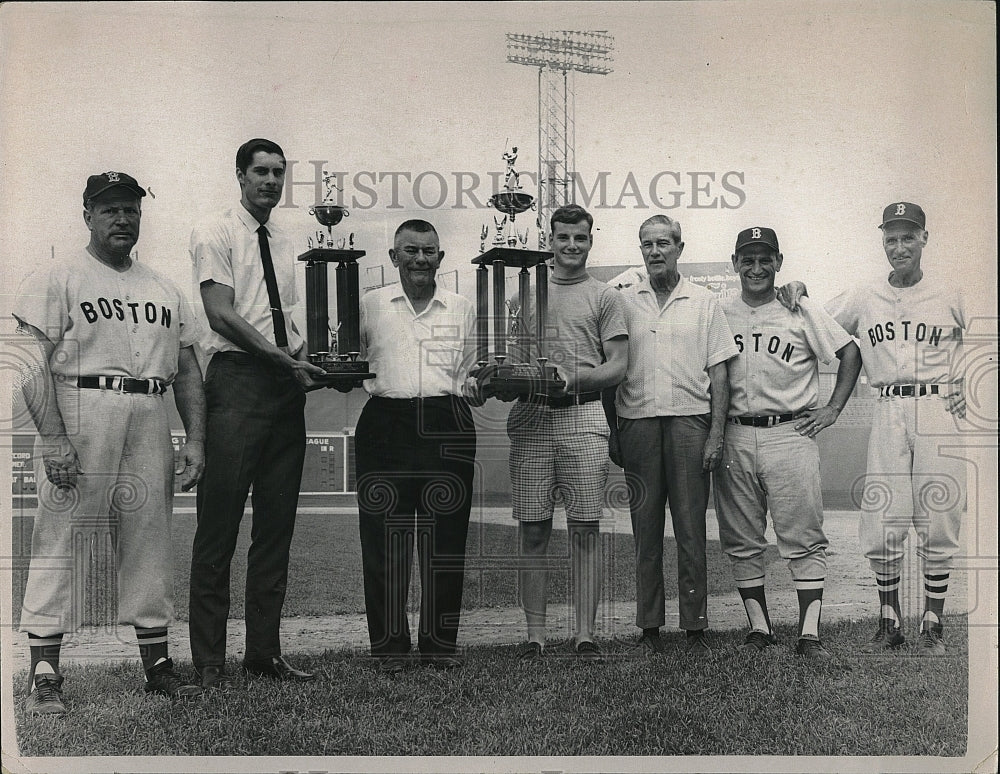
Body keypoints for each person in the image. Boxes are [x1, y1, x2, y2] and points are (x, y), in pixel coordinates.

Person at [14, 171, 206, 714]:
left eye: (131, 209)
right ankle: (46, 670)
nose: (122, 218)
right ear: (87, 215)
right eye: (109, 209)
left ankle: (157, 666)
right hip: (81, 406)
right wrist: (53, 438)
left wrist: (196, 439)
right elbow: (30, 363)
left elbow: (188, 369)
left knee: (149, 536)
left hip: (149, 409)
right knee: (62, 536)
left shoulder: (164, 286)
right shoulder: (58, 275)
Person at [188, 138, 328, 687]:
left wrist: (304, 360)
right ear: (239, 175)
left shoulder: (287, 239)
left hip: (281, 387)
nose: (270, 181)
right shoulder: (216, 230)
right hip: (237, 383)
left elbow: (286, 327)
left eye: (278, 173)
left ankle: (264, 653)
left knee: (276, 528)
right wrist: (278, 359)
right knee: (218, 528)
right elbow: (221, 315)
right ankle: (208, 664)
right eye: (260, 172)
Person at [826, 202, 967, 655]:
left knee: (938, 514)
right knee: (883, 517)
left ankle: (933, 624)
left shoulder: (949, 291)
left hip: (937, 407)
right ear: (882, 240)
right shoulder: (863, 294)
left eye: (909, 237)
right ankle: (889, 623)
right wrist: (797, 291)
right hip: (887, 407)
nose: (900, 246)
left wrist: (969, 376)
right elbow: (819, 327)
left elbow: (985, 335)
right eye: (892, 238)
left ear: (925, 238)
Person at [715, 227, 862, 659]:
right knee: (741, 537)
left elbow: (849, 352)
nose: (756, 268)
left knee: (803, 534)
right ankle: (759, 628)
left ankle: (809, 633)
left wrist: (832, 409)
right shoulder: (718, 311)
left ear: (779, 262)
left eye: (765, 259)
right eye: (748, 259)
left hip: (791, 433)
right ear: (735, 262)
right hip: (735, 433)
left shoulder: (799, 308)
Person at [607, 214, 738, 657]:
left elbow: (720, 372)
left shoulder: (703, 302)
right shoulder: (623, 300)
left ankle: (695, 625)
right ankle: (649, 627)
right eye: (647, 244)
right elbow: (612, 368)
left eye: (664, 243)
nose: (655, 251)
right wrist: (613, 429)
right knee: (644, 530)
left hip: (689, 422)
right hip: (638, 422)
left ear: (680, 248)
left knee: (689, 529)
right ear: (640, 250)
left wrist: (716, 433)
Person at [355, 219, 481, 673]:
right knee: (384, 541)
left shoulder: (462, 307)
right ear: (393, 257)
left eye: (429, 251)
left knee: (445, 542)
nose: (420, 260)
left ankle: (438, 646)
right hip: (385, 422)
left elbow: (469, 372)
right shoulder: (370, 305)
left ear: (441, 258)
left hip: (446, 422)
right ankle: (389, 648)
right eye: (410, 251)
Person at [505, 204, 628, 662]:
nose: (571, 246)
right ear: (550, 239)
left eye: (580, 238)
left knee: (584, 529)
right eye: (562, 237)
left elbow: (618, 366)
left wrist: (571, 377)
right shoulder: (523, 295)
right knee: (533, 529)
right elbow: (514, 360)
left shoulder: (605, 297)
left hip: (583, 415)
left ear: (590, 240)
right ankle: (535, 636)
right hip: (533, 416)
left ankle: (584, 634)